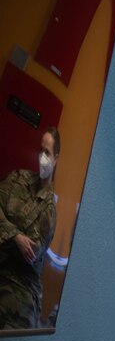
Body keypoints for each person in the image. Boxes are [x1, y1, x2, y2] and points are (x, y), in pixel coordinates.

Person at [0, 127, 58, 329]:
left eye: (48, 153)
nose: (42, 157)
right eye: (41, 151)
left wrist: (4, 226)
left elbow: (29, 252)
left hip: (20, 288)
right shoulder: (18, 178)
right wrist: (15, 235)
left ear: (56, 159)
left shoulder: (49, 211)